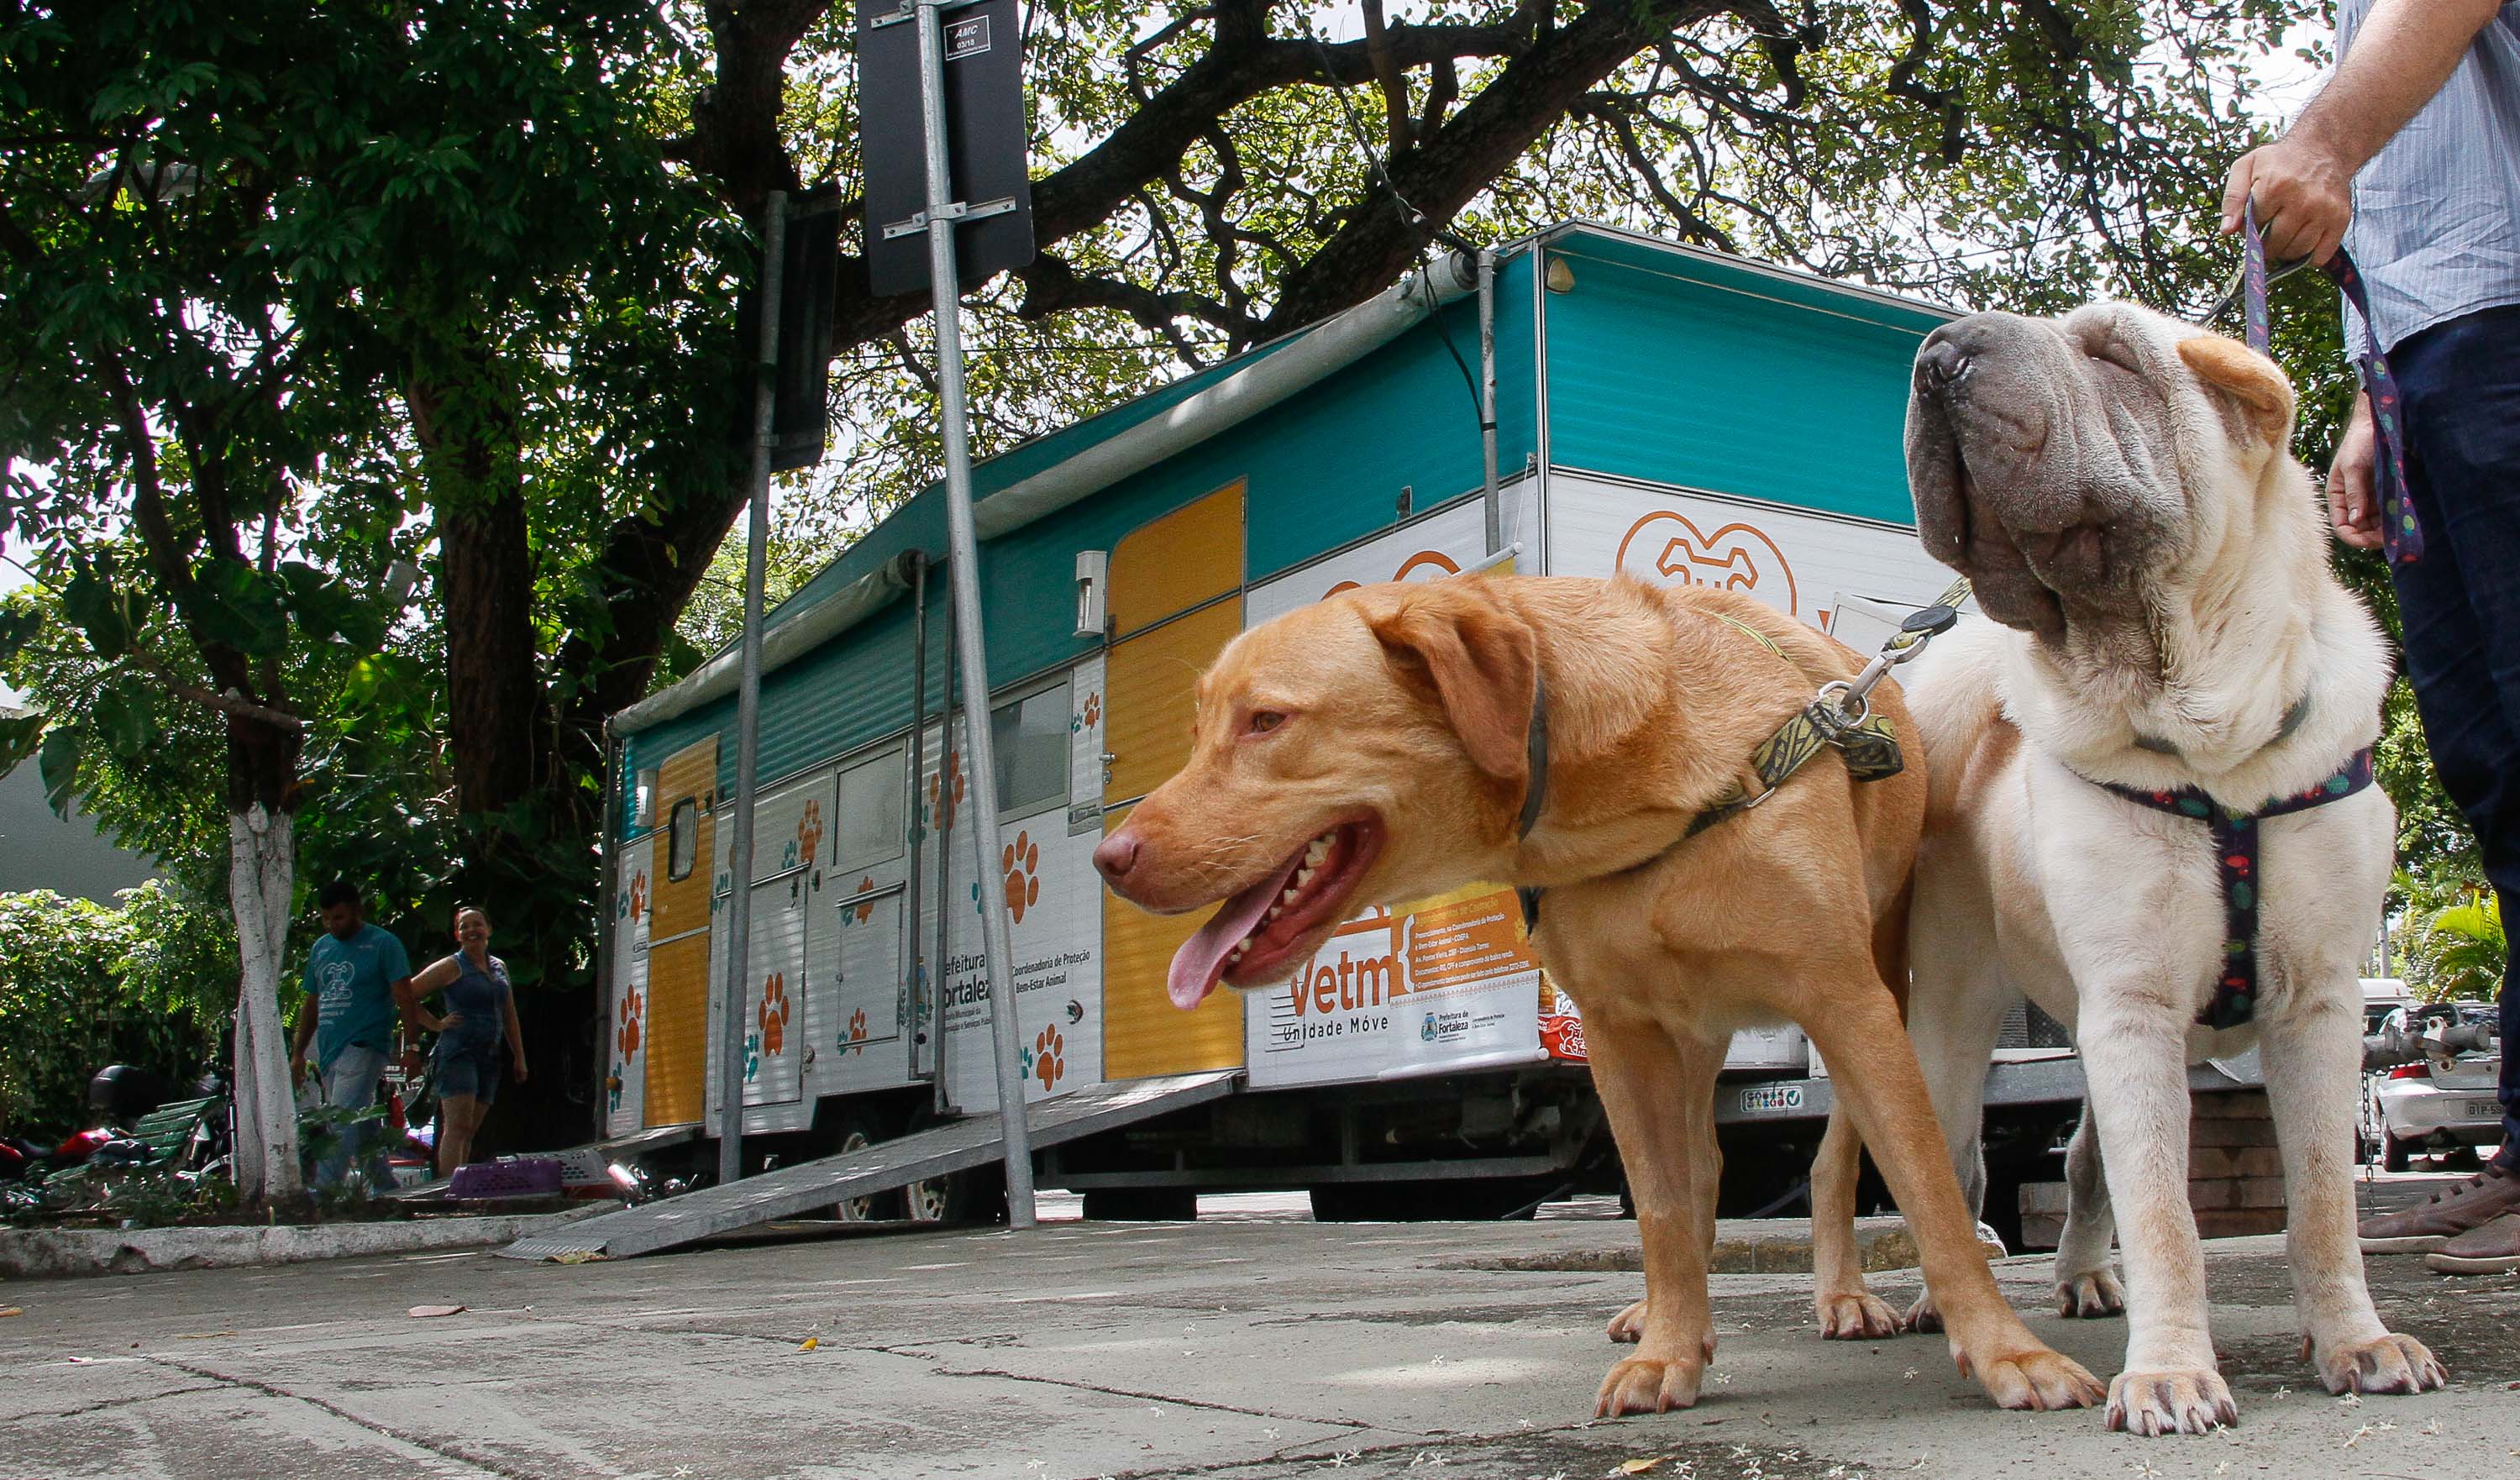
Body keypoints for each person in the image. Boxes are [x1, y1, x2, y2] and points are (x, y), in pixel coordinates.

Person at [2222, 0, 2520, 1273]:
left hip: (2505, 331)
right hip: (2424, 354)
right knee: (2491, 760)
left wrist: (2326, 143)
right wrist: (2367, 393)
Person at [288, 880, 413, 1191]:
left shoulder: (384, 944)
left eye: (339, 918)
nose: (332, 925)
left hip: (365, 1044)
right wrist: (298, 1052)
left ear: (358, 911)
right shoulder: (321, 948)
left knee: (341, 1119)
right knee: (361, 1124)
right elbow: (312, 1002)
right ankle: (385, 1188)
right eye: (326, 919)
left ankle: (324, 1191)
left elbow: (406, 998)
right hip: (331, 1050)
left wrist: (412, 1047)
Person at [405, 904, 527, 1177]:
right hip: (459, 1052)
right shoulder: (451, 966)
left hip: (490, 1054)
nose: (472, 930)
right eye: (464, 926)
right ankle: (447, 1191)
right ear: (457, 935)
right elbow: (406, 994)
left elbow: (509, 1013)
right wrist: (435, 1024)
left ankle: (460, 1187)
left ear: (489, 930)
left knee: (470, 1129)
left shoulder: (499, 968)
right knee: (457, 1126)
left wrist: (519, 1056)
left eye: (477, 924)